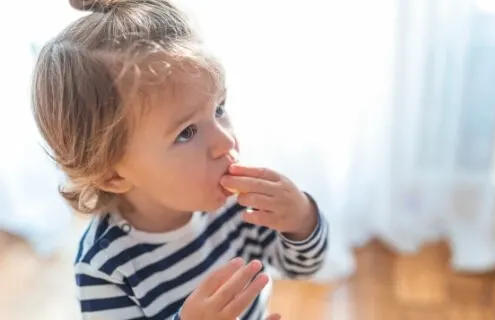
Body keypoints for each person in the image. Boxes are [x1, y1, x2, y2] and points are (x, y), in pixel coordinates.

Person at [31, 0, 329, 319]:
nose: (225, 141)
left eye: (219, 109)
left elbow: (301, 267)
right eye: (186, 132)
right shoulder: (105, 264)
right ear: (112, 175)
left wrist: (301, 220)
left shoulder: (238, 205)